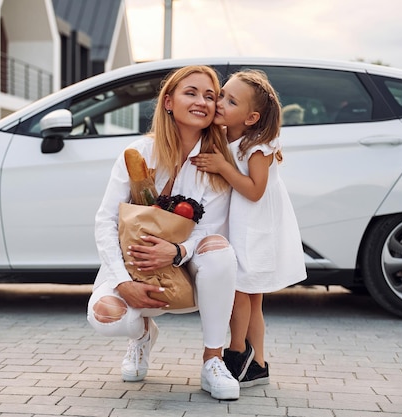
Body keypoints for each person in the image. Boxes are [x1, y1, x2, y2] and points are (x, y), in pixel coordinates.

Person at [87, 65, 241, 400]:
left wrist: (176, 252)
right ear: (168, 101)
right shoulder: (138, 154)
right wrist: (122, 282)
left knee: (220, 248)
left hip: (189, 275)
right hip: (135, 268)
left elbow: (212, 230)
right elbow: (105, 221)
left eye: (210, 96)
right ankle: (141, 335)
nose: (202, 101)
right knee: (105, 317)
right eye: (191, 92)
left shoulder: (216, 164)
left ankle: (213, 361)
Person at [191, 69, 307, 388]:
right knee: (252, 298)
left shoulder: (258, 146)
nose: (219, 103)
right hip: (242, 224)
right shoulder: (228, 135)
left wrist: (223, 167)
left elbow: (255, 190)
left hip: (255, 228)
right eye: (222, 94)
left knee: (240, 289)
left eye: (230, 100)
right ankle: (257, 366)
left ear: (252, 117)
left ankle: (237, 351)